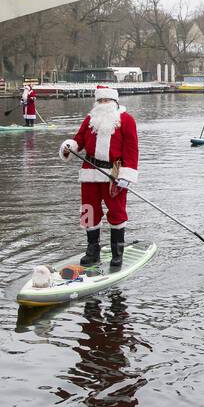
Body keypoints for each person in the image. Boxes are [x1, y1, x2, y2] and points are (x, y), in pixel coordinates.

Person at [58, 85, 140, 269]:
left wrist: (127, 175)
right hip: (89, 171)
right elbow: (79, 140)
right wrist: (69, 146)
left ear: (114, 102)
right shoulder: (90, 120)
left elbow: (132, 150)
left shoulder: (126, 120)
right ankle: (92, 251)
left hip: (114, 174)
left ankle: (117, 252)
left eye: (106, 100)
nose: (103, 104)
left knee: (117, 211)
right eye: (100, 101)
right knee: (88, 211)